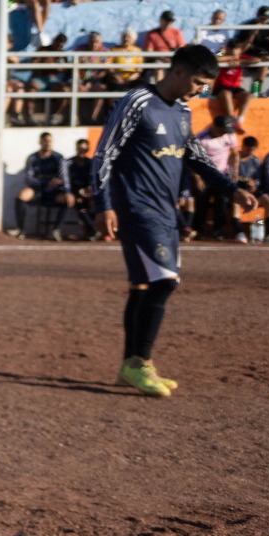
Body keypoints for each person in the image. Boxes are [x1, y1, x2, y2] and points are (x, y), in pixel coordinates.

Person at [93, 45, 232, 397]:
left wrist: (233, 190)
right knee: (165, 281)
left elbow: (197, 158)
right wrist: (103, 205)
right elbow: (104, 153)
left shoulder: (183, 111)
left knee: (143, 286)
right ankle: (141, 362)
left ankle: (130, 366)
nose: (200, 90)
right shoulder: (137, 102)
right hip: (136, 208)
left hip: (166, 213)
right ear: (178, 71)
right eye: (198, 82)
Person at [12, 131, 71, 238]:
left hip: (53, 190)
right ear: (40, 142)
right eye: (45, 141)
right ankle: (21, 229)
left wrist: (67, 191)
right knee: (22, 195)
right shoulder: (33, 158)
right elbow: (29, 178)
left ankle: (56, 230)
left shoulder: (58, 157)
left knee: (67, 199)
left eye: (50, 141)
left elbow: (64, 177)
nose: (47, 143)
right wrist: (45, 182)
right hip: (37, 189)